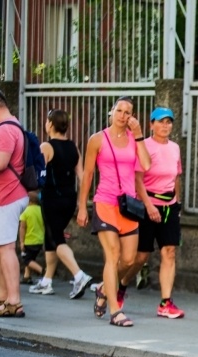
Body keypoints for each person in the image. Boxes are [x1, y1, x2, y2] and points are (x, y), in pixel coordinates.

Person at [78, 96, 150, 327]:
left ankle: (103, 288)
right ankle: (115, 311)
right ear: (111, 112)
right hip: (105, 202)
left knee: (128, 260)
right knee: (113, 255)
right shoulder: (97, 139)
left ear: (132, 116)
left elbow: (146, 165)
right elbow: (88, 174)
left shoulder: (134, 139)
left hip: (128, 206)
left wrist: (139, 135)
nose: (123, 115)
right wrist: (82, 206)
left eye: (128, 112)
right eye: (119, 110)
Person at [119, 106, 185, 319]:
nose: (165, 126)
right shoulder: (144, 145)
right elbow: (138, 179)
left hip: (169, 206)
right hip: (147, 205)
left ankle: (165, 303)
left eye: (169, 122)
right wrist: (149, 206)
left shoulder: (175, 148)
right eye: (161, 121)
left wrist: (178, 204)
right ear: (151, 125)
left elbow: (176, 177)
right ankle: (121, 285)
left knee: (169, 251)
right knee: (140, 257)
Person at [30, 109, 92, 299]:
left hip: (52, 200)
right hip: (69, 200)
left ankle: (79, 275)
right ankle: (47, 281)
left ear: (50, 124)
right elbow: (83, 177)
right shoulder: (73, 147)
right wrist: (82, 203)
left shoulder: (46, 147)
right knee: (51, 239)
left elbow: (37, 174)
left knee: (57, 239)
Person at [0, 88, 29, 317]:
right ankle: (3, 296)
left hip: (5, 196)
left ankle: (14, 301)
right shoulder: (10, 126)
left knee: (6, 249)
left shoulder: (4, 129)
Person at [19, 190, 44, 285]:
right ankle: (27, 276)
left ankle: (43, 271)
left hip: (29, 240)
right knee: (31, 258)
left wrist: (21, 242)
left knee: (27, 260)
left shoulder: (26, 211)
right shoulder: (41, 210)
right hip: (40, 240)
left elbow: (22, 228)